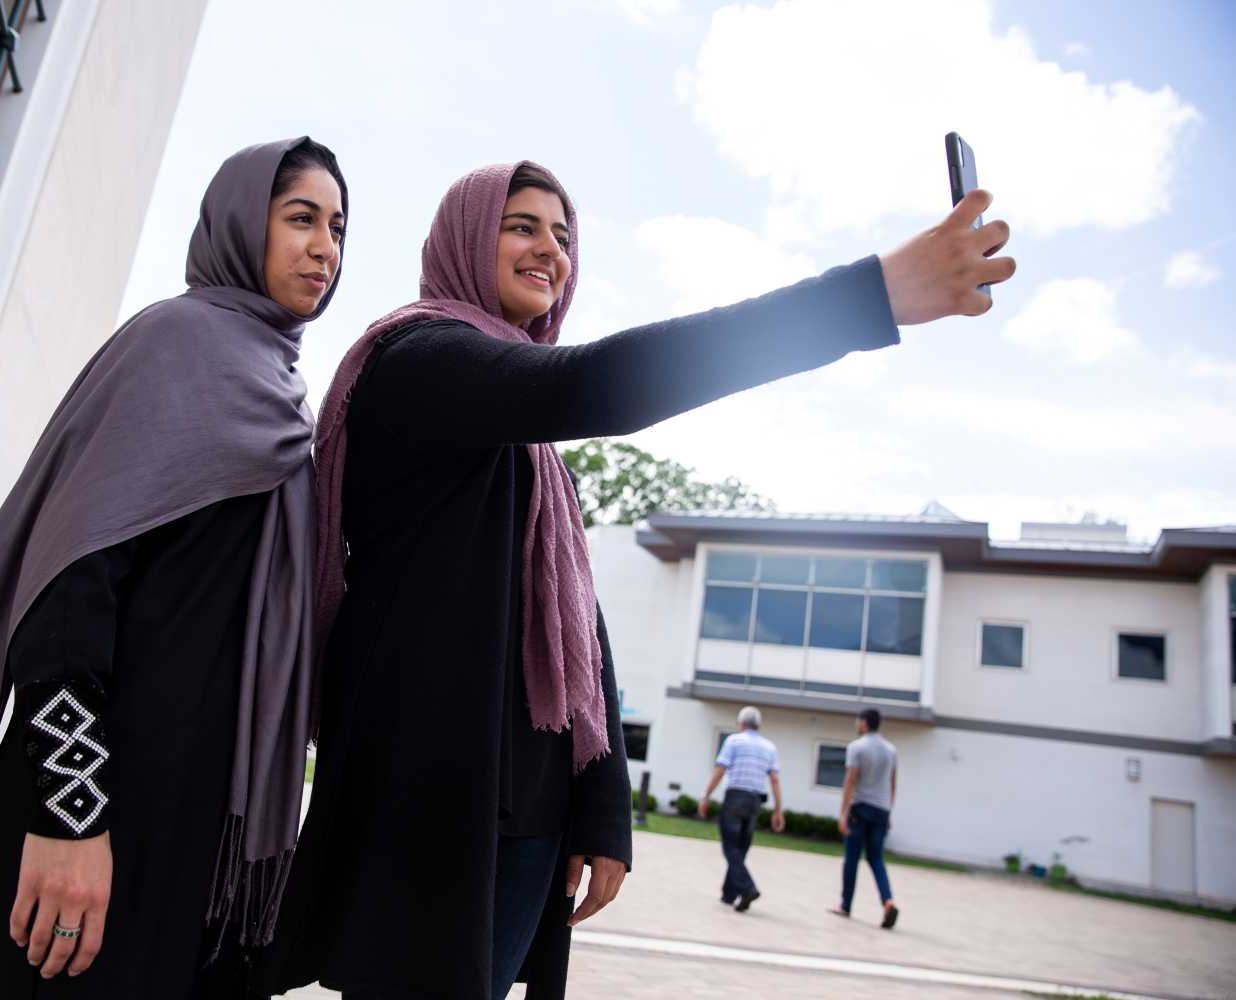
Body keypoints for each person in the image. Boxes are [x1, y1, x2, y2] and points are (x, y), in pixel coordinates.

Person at [263, 159, 1013, 1000]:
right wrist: (869, 295)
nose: (551, 248)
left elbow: (579, 627)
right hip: (431, 807)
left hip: (530, 815)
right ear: (464, 239)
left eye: (564, 234)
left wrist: (600, 808)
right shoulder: (418, 362)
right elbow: (594, 384)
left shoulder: (530, 445)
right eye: (522, 225)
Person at [0, 137, 347, 1000]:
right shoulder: (175, 347)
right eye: (300, 217)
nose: (324, 248)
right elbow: (65, 594)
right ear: (240, 222)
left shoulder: (280, 394)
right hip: (93, 812)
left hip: (190, 828)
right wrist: (71, 817)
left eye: (339, 228)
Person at [698, 706, 784, 911]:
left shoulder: (733, 741)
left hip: (735, 798)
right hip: (755, 802)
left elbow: (720, 770)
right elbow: (774, 780)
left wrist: (706, 796)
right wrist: (778, 810)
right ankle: (729, 895)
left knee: (730, 847)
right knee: (741, 849)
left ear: (741, 723)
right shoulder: (769, 747)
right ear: (759, 725)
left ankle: (747, 888)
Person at [831, 708, 900, 929]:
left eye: (858, 720)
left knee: (852, 858)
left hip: (860, 809)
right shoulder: (891, 750)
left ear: (864, 723)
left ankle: (845, 905)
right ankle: (888, 901)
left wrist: (843, 813)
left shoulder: (856, 747)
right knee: (876, 858)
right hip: (881, 809)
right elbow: (892, 783)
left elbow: (850, 780)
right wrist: (889, 811)